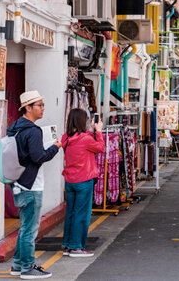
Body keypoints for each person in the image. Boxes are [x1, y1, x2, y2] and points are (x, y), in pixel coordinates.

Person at [8, 91, 61, 279]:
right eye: (39, 105)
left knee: (24, 227)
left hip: (18, 182)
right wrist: (55, 147)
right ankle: (28, 268)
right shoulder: (33, 131)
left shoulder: (15, 128)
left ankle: (17, 265)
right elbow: (38, 157)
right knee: (29, 229)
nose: (43, 108)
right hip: (31, 186)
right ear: (28, 108)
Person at [60, 109, 105, 258]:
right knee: (82, 215)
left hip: (70, 181)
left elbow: (83, 139)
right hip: (84, 180)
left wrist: (92, 130)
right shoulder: (85, 139)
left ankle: (67, 245)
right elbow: (100, 148)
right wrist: (98, 131)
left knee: (71, 214)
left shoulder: (65, 138)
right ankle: (76, 247)